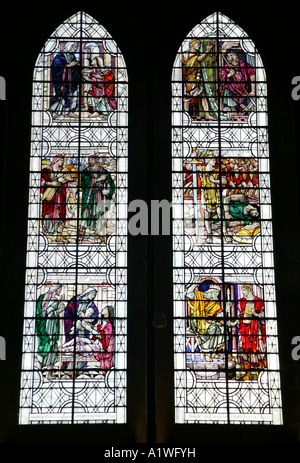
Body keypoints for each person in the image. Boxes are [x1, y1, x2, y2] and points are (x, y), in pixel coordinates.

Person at [78, 154, 115, 243]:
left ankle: (99, 235)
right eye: (89, 159)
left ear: (96, 160)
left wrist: (108, 191)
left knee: (99, 214)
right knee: (86, 214)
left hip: (100, 197)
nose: (90, 161)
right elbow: (84, 184)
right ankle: (84, 234)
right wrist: (98, 179)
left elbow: (111, 185)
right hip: (89, 197)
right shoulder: (86, 172)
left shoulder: (104, 171)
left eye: (92, 159)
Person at [35, 283, 65, 380]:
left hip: (43, 328)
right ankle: (48, 374)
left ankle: (40, 373)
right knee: (52, 350)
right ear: (56, 290)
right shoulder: (54, 300)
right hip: (50, 329)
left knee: (43, 350)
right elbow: (51, 315)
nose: (60, 291)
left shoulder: (43, 298)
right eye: (60, 289)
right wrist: (59, 310)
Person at [182, 39, 217, 119]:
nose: (199, 45)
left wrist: (211, 61)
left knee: (203, 95)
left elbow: (200, 66)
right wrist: (207, 51)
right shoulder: (188, 55)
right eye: (197, 43)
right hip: (190, 80)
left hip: (197, 79)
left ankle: (207, 115)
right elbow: (199, 59)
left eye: (199, 44)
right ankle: (186, 115)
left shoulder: (195, 55)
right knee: (188, 97)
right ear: (192, 44)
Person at [237, 284, 266, 380]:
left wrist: (255, 314)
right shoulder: (241, 302)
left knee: (259, 349)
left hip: (255, 329)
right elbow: (238, 315)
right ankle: (247, 373)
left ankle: (265, 372)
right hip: (244, 329)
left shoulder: (258, 301)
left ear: (249, 290)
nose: (243, 293)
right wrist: (235, 322)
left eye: (244, 291)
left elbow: (264, 314)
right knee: (244, 350)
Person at [186, 282, 225, 352]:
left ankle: (213, 350)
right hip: (197, 321)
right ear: (211, 292)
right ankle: (206, 350)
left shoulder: (214, 303)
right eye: (215, 293)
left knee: (222, 328)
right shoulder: (199, 296)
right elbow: (188, 293)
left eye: (217, 294)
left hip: (208, 322)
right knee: (213, 328)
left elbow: (218, 314)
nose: (216, 296)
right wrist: (195, 283)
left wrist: (225, 312)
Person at [49, 42, 80, 118]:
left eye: (76, 47)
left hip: (72, 80)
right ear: (69, 46)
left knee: (73, 94)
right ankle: (56, 111)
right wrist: (68, 65)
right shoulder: (60, 55)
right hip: (62, 81)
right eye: (74, 47)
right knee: (62, 95)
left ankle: (70, 111)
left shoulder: (73, 56)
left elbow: (75, 67)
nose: (75, 49)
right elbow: (57, 66)